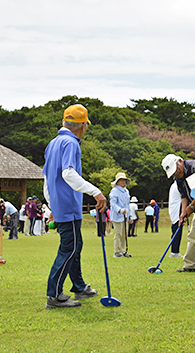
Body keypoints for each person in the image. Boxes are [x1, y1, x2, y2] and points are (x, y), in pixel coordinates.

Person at [43, 104, 106, 309]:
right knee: (69, 249)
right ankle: (54, 295)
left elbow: (46, 179)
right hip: (68, 206)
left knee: (75, 246)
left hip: (61, 205)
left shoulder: (53, 143)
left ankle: (78, 286)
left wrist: (51, 205)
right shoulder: (71, 143)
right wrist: (95, 191)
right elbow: (68, 174)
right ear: (82, 126)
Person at [109, 172, 132, 258]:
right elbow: (113, 204)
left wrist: (130, 215)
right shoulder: (114, 191)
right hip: (117, 216)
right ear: (117, 182)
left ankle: (122, 250)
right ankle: (117, 251)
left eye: (124, 180)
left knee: (124, 234)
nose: (123, 182)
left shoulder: (126, 191)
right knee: (118, 234)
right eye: (121, 180)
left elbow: (127, 204)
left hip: (125, 216)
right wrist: (120, 210)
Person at [168, 181, 184, 258]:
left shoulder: (174, 185)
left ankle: (175, 251)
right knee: (177, 233)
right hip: (176, 212)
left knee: (177, 232)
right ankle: (174, 252)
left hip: (175, 211)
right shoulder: (178, 186)